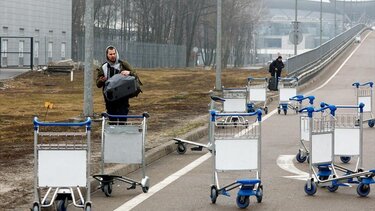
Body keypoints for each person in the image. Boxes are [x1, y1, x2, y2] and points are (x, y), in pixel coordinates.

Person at [96, 46, 140, 119]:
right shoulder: (103, 67)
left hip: (123, 96)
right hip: (110, 98)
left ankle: (122, 129)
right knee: (112, 118)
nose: (113, 56)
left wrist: (129, 72)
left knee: (122, 117)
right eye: (110, 54)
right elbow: (98, 84)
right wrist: (101, 80)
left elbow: (135, 74)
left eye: (114, 53)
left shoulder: (123, 64)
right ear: (107, 55)